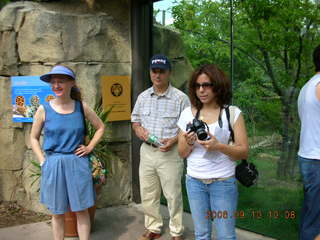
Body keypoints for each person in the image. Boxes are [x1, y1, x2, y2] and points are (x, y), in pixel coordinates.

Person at [30, 65, 105, 240]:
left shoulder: (81, 107)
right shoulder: (44, 109)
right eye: (53, 82)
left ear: (72, 83)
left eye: (61, 81)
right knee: (57, 212)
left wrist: (89, 147)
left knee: (81, 210)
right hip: (54, 164)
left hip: (77, 162)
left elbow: (101, 127)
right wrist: (42, 161)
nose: (56, 85)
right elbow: (33, 138)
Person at [177, 64, 248, 240]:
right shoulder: (187, 113)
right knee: (201, 234)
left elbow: (244, 151)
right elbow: (181, 153)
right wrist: (189, 142)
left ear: (217, 85)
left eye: (206, 85)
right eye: (197, 86)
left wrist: (219, 146)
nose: (201, 90)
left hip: (223, 183)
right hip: (194, 182)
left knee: (225, 235)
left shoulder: (232, 113)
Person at [131, 54, 190, 240]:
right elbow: (135, 121)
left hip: (170, 153)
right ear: (150, 73)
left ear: (169, 73)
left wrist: (173, 140)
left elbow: (187, 128)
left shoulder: (181, 99)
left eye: (161, 72)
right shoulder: (142, 97)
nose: (157, 75)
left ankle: (176, 232)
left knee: (173, 195)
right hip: (147, 151)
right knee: (148, 193)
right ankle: (153, 228)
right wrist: (138, 130)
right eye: (154, 71)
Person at [297, 45, 320, 240]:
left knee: (310, 212)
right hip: (317, 158)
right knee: (315, 219)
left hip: (308, 156)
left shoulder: (307, 86)